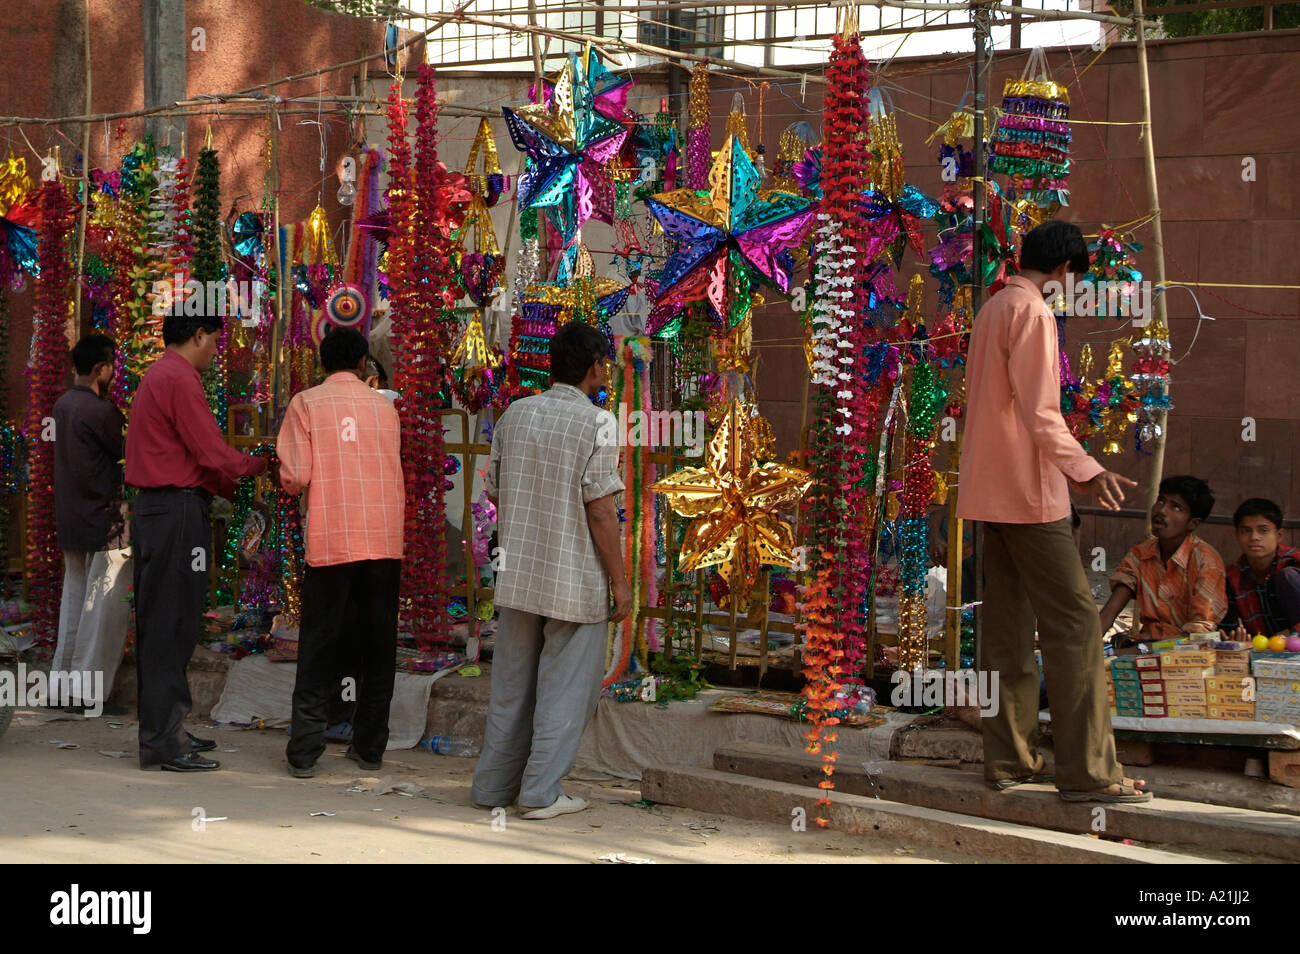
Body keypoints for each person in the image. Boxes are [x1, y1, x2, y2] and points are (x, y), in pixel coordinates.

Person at [957, 219, 1150, 804]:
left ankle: (1010, 760)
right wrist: (1088, 471)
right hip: (1029, 495)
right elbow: (1042, 414)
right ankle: (1090, 774)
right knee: (1075, 631)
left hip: (991, 493)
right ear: (1065, 269)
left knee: (1007, 633)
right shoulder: (1035, 313)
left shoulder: (994, 308)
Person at [471, 323, 630, 820]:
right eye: (603, 363)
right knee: (566, 688)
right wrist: (621, 582)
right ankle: (540, 792)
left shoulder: (516, 414)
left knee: (512, 688)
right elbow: (601, 510)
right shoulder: (599, 424)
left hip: (519, 574)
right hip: (573, 579)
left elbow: (495, 489)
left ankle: (493, 787)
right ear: (594, 368)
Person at [126, 308, 267, 771]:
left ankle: (167, 730)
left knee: (167, 621)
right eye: (215, 342)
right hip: (175, 511)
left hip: (160, 509)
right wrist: (257, 466)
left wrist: (234, 477)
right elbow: (209, 450)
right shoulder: (180, 378)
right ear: (199, 335)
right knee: (172, 622)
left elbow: (196, 454)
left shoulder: (160, 375)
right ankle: (163, 740)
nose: (216, 352)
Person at [277, 328, 405, 778]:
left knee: (319, 645)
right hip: (384, 541)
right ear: (363, 364)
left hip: (332, 540)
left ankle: (305, 750)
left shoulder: (306, 403)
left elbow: (294, 476)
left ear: (323, 363)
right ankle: (370, 747)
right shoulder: (385, 409)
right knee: (379, 646)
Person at [51, 334, 130, 716]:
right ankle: (86, 694)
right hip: (104, 521)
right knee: (103, 609)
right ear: (100, 369)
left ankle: (62, 687)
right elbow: (127, 455)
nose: (114, 373)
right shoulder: (102, 412)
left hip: (71, 518)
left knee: (74, 601)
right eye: (111, 366)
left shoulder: (62, 405)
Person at [1100, 475, 1227, 648]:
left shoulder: (1206, 562)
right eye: (1161, 501)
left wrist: (1147, 651)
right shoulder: (1139, 555)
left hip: (1187, 655)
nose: (1162, 511)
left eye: (1176, 507)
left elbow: (1200, 633)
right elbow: (1108, 614)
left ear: (1193, 523)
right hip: (1143, 646)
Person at [1222, 498, 1300, 641]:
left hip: (1293, 646)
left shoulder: (1295, 563)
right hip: (1263, 652)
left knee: (1288, 576)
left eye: (1263, 530)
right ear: (1237, 535)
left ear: (1279, 535)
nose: (1254, 537)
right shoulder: (1232, 577)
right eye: (1246, 531)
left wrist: (1290, 634)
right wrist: (1233, 638)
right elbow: (1227, 627)